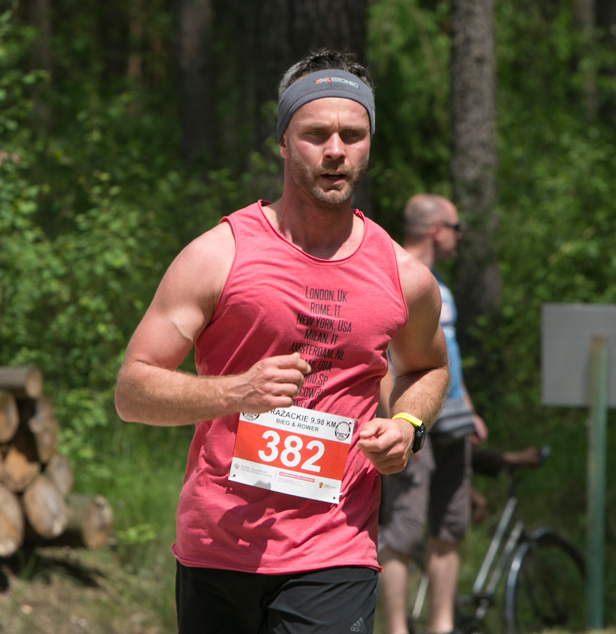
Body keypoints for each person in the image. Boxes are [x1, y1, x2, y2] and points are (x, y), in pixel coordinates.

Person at [114, 49, 450, 634]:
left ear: (369, 145)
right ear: (284, 143)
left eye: (353, 135)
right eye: (316, 134)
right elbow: (132, 391)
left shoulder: (404, 276)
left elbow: (429, 368)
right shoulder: (218, 256)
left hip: (336, 549)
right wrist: (236, 392)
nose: (335, 150)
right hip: (219, 545)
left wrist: (407, 426)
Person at [378, 194, 486, 634]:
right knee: (403, 527)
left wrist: (469, 410)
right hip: (411, 417)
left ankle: (442, 626)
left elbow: (447, 358)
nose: (460, 238)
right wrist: (399, 422)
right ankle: (397, 629)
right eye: (457, 229)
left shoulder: (440, 287)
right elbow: (381, 360)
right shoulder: (392, 275)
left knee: (450, 525)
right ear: (437, 231)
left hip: (452, 417)